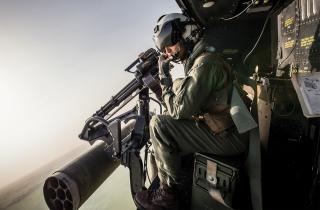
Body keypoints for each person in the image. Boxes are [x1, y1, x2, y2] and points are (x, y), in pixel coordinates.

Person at [134, 13, 253, 210]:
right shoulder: (204, 61)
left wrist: (164, 77)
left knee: (158, 125)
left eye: (169, 44)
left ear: (185, 33)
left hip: (234, 137)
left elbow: (179, 109)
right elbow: (184, 101)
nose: (168, 52)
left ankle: (168, 195)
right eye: (164, 49)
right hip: (235, 129)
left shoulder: (205, 64)